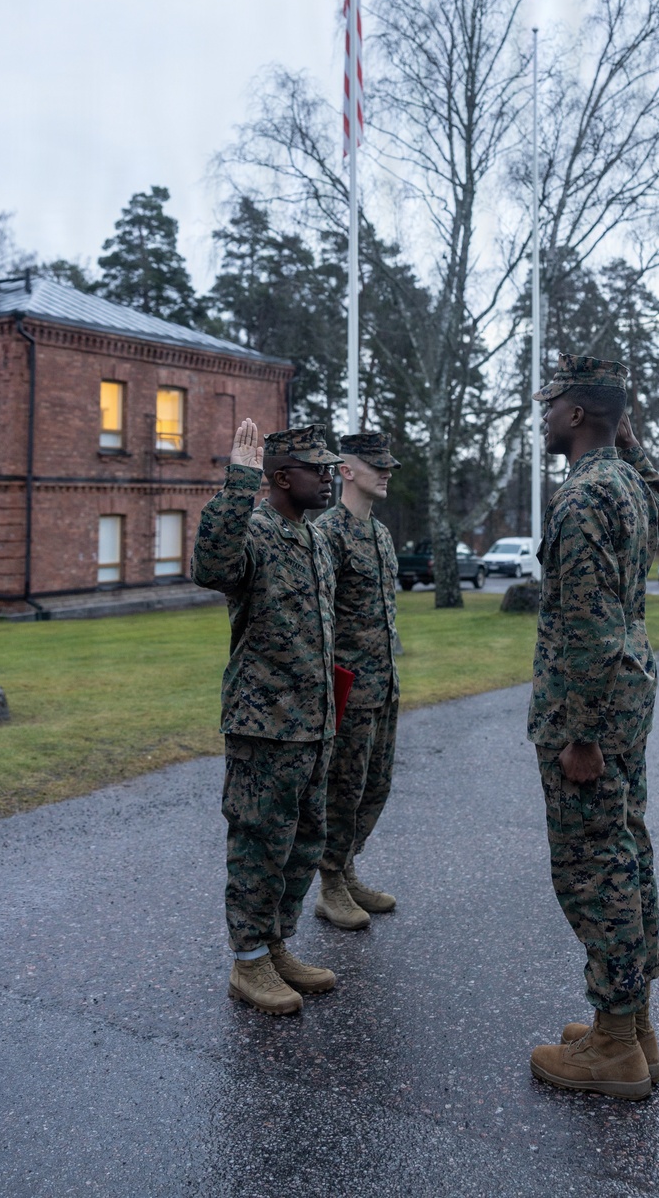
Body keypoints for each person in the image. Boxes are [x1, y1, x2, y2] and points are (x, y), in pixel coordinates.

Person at [527, 355, 659, 1099]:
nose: (544, 414)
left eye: (551, 403)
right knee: (627, 850)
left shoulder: (583, 496)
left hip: (590, 712)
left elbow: (585, 626)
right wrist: (630, 438)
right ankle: (635, 1025)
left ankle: (615, 1043)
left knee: (594, 869)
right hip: (629, 697)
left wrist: (579, 735)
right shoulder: (626, 483)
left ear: (576, 415)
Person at [191, 419, 341, 1016]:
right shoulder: (252, 532)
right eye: (317, 468)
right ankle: (248, 961)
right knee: (259, 842)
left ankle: (276, 945)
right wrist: (237, 486)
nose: (329, 477)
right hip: (264, 723)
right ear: (281, 477)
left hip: (315, 721)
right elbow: (211, 566)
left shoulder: (313, 537)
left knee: (304, 843)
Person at [315, 431, 402, 930]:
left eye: (387, 465)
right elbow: (319, 616)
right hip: (347, 687)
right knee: (342, 790)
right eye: (376, 466)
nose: (385, 472)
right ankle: (329, 884)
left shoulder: (380, 533)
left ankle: (346, 869)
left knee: (375, 785)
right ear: (346, 471)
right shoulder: (329, 532)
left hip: (384, 684)